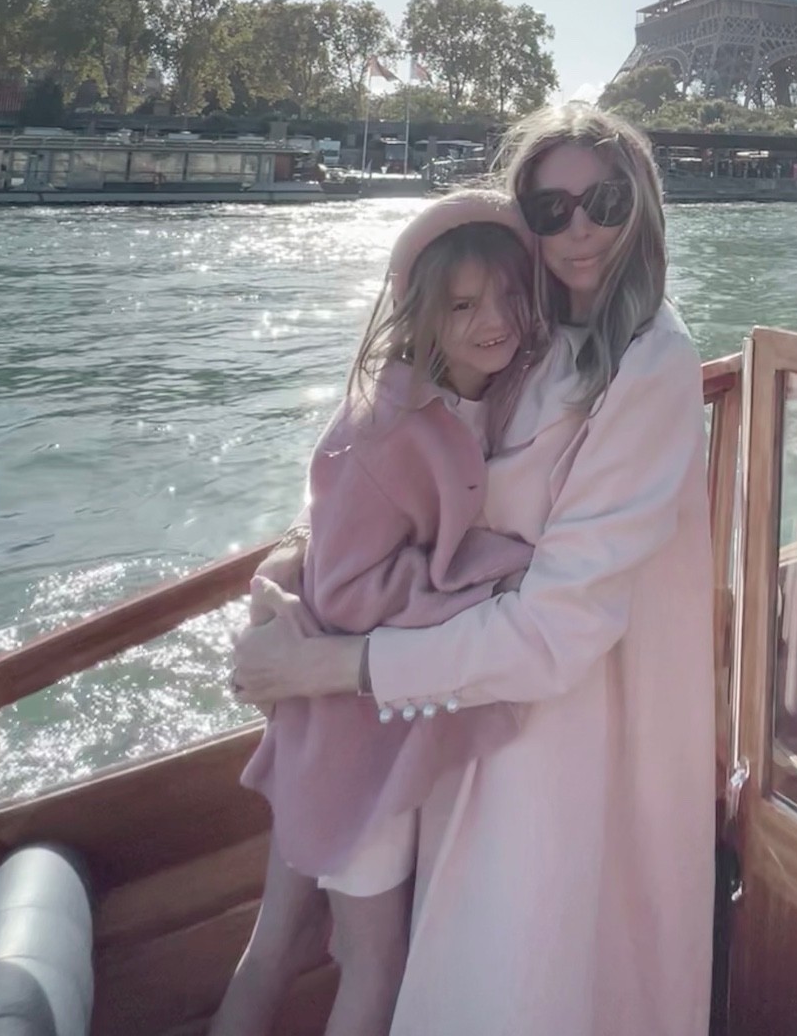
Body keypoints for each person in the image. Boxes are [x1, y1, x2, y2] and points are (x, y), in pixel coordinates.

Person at [231, 103, 715, 1036]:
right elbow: (391, 475)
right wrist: (291, 570)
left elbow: (554, 632)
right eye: (551, 208)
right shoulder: (524, 337)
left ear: (644, 205)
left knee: (520, 973)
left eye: (605, 201)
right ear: (520, 221)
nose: (579, 229)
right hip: (459, 706)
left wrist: (328, 667)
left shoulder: (649, 366)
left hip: (557, 725)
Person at [214, 195, 542, 1036]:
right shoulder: (388, 431)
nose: (495, 322)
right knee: (373, 964)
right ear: (424, 312)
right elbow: (351, 590)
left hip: (327, 731)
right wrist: (488, 571)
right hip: (357, 743)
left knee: (277, 943)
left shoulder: (461, 399)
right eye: (464, 305)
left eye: (508, 296)